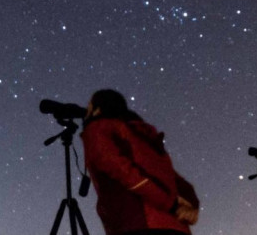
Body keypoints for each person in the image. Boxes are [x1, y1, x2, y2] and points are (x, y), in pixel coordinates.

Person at [80, 89, 200, 235]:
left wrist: (170, 204)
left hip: (136, 223)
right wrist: (192, 207)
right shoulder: (144, 137)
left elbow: (119, 169)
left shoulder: (98, 129)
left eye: (89, 106)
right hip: (176, 227)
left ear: (96, 109)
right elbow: (178, 181)